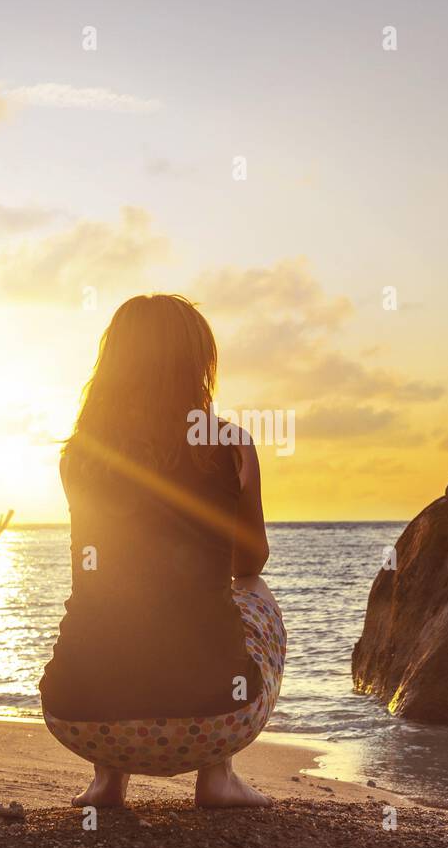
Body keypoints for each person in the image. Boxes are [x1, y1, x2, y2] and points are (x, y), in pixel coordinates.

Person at [39, 294, 285, 809]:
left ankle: (108, 780)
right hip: (215, 718)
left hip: (78, 715)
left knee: (108, 595)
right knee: (249, 591)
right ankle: (217, 777)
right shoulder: (229, 446)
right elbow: (250, 563)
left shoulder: (79, 457)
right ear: (198, 367)